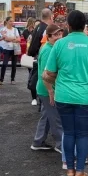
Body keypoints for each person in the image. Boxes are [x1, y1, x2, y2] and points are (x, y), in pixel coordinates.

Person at [43, 10, 88, 176]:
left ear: (68, 26)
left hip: (63, 96)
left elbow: (49, 72)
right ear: (85, 26)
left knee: (69, 132)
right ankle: (80, 172)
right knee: (82, 134)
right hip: (85, 97)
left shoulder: (59, 44)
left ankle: (70, 170)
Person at [32, 24, 64, 152]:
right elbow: (46, 74)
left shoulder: (49, 47)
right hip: (47, 89)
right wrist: (51, 91)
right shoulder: (49, 50)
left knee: (46, 116)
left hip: (44, 88)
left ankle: (38, 141)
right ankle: (61, 144)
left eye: (60, 34)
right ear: (48, 37)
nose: (58, 37)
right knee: (56, 118)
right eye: (55, 35)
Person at [27, 9, 53, 106]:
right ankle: (42, 103)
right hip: (41, 56)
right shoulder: (46, 29)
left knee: (36, 78)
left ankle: (37, 100)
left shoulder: (38, 26)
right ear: (51, 16)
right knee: (42, 78)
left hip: (35, 56)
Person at [0, 17, 19, 85]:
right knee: (4, 64)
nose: (12, 23)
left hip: (14, 49)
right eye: (10, 21)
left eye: (12, 21)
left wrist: (11, 39)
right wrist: (14, 38)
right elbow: (5, 39)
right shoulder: (3, 29)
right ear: (7, 21)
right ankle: (1, 79)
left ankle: (12, 79)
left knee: (14, 65)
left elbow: (19, 39)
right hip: (7, 49)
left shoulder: (15, 30)